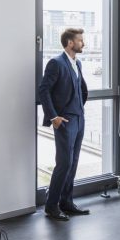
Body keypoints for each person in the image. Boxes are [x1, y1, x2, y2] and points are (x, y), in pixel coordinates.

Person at [38, 27, 90, 221]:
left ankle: (66, 202)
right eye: (80, 40)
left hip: (79, 119)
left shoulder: (78, 63)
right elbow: (43, 91)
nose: (83, 43)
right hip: (65, 121)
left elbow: (80, 89)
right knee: (64, 163)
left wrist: (80, 110)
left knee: (74, 162)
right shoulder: (56, 63)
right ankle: (51, 206)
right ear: (70, 43)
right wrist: (54, 117)